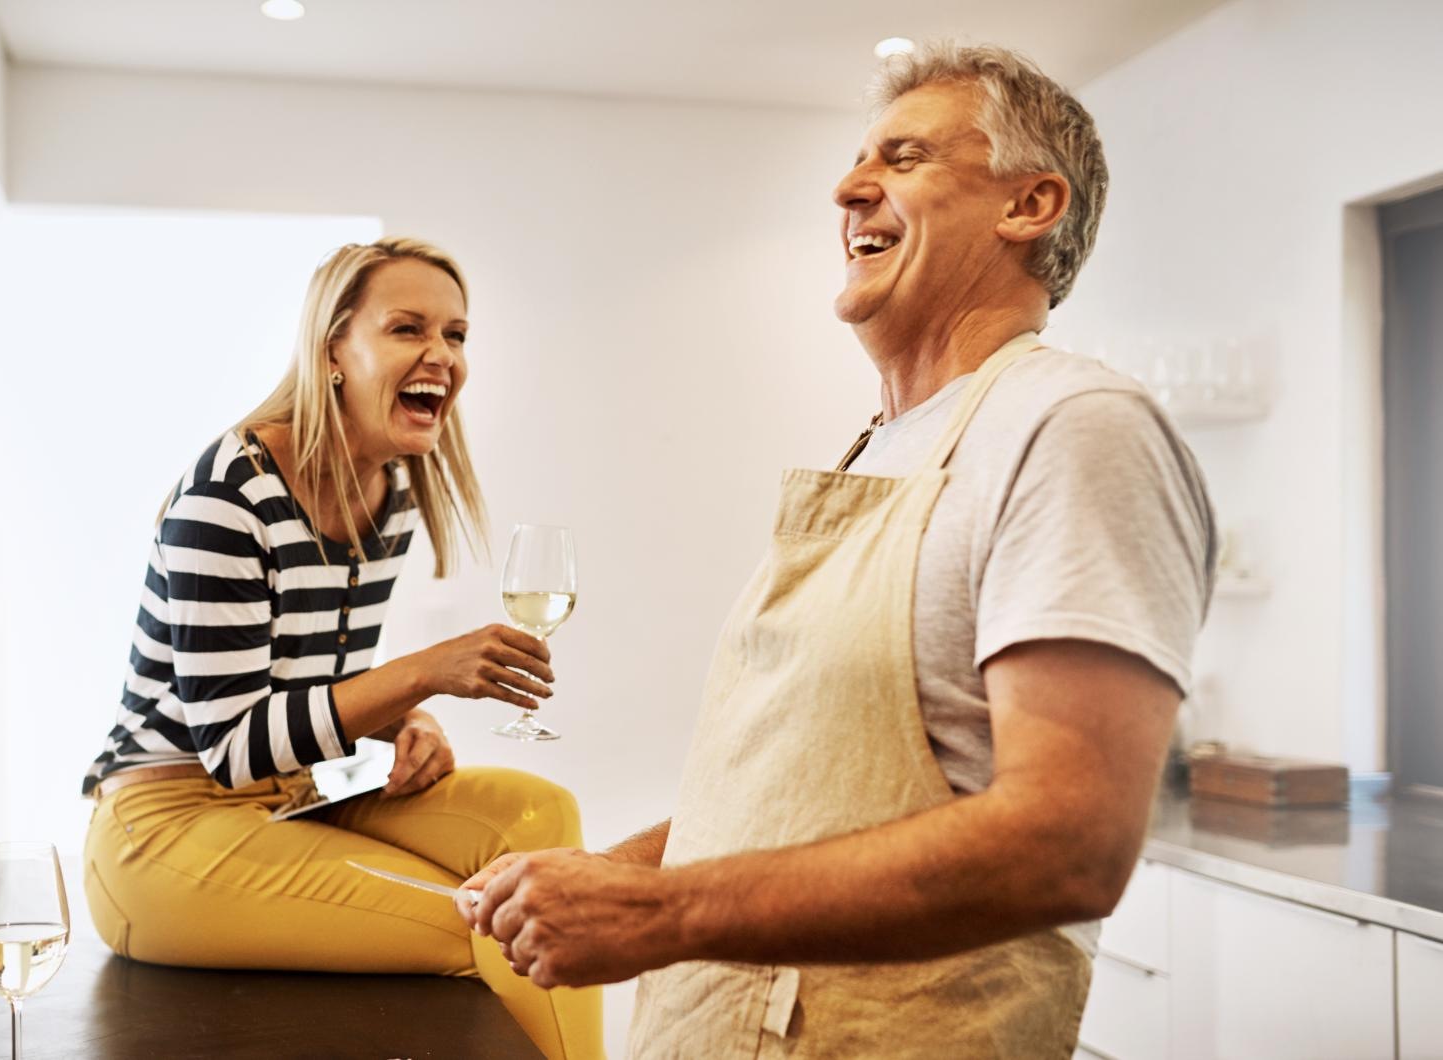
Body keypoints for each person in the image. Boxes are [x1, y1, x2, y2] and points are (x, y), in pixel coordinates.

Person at [456, 43, 1215, 1058]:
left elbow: (1068, 843)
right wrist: (618, 875)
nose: (847, 188)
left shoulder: (1074, 426)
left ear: (1030, 205)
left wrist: (659, 914)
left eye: (902, 159)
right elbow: (784, 802)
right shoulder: (874, 447)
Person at [81, 238, 602, 1060]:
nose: (441, 355)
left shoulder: (389, 490)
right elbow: (233, 749)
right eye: (408, 329)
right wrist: (424, 671)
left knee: (540, 816)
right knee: (505, 921)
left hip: (302, 792)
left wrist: (402, 723)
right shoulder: (230, 493)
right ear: (333, 350)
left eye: (456, 335)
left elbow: (313, 686)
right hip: (166, 827)